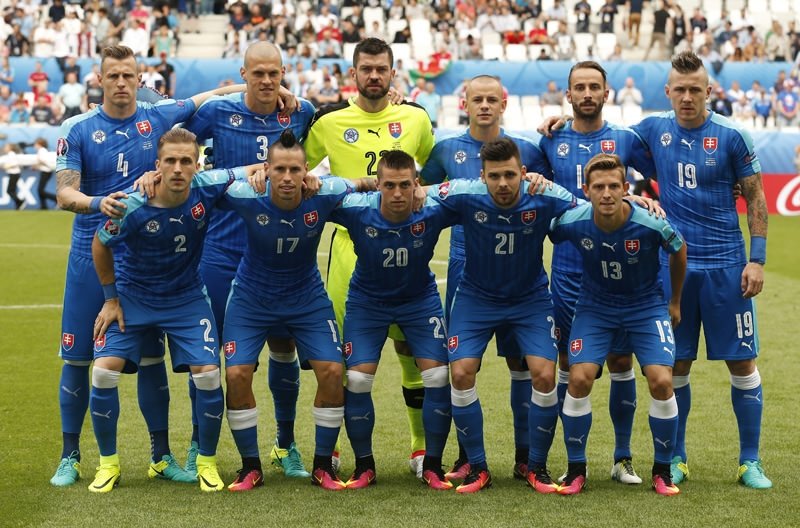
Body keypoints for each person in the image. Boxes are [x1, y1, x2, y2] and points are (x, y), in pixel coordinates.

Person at [50, 44, 243, 488]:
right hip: (91, 253)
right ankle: (70, 455)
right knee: (80, 356)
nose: (120, 83)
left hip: (145, 260)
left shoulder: (157, 117)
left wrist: (275, 89)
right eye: (112, 76)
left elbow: (211, 96)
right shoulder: (77, 128)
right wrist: (103, 202)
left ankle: (160, 455)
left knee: (153, 356)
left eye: (128, 76)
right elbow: (65, 194)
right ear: (98, 80)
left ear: (140, 80)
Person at [631, 50, 772, 489]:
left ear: (709, 92)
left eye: (696, 89)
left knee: (743, 363)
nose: (687, 97)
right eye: (680, 89)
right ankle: (677, 457)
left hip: (728, 268)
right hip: (674, 270)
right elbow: (604, 142)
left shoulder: (732, 136)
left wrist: (757, 259)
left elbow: (756, 197)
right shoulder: (653, 129)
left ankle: (750, 461)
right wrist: (558, 122)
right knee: (676, 366)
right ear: (668, 92)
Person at [183, 41, 317, 483]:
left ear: (284, 73)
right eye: (256, 73)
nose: (264, 81)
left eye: (273, 74)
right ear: (243, 73)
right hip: (220, 252)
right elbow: (175, 138)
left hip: (278, 257)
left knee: (284, 347)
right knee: (210, 355)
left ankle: (285, 443)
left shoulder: (300, 113)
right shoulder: (217, 113)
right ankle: (198, 446)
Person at [304, 37, 436, 477]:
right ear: (353, 74)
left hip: (408, 251)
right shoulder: (328, 122)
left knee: (410, 351)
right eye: (367, 69)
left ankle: (420, 449)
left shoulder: (415, 118)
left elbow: (430, 172)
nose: (374, 76)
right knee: (347, 358)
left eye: (382, 69)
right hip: (349, 252)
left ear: (392, 72)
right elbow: (300, 174)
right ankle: (339, 447)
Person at [89, 129, 242, 493]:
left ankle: (205, 462)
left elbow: (253, 168)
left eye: (185, 161)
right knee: (102, 374)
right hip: (133, 297)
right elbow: (100, 243)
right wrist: (111, 299)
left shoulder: (207, 186)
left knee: (208, 373)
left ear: (197, 165)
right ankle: (108, 464)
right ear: (156, 165)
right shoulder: (132, 203)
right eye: (170, 161)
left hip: (186, 297)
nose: (177, 168)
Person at [420, 74, 552, 483]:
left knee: (522, 364)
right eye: (477, 99)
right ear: (464, 102)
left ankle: (525, 458)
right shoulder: (446, 150)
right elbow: (421, 199)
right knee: (460, 366)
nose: (484, 106)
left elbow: (549, 195)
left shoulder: (527, 149)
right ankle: (466, 456)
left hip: (521, 271)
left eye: (492, 99)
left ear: (504, 102)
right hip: (466, 268)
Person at [428, 137, 577, 494]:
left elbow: (595, 209)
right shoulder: (466, 192)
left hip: (530, 299)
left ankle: (535, 466)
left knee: (544, 373)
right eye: (494, 176)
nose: (503, 184)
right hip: (476, 297)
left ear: (524, 173)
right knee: (461, 371)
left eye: (510, 175)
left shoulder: (545, 193)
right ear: (483, 176)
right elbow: (415, 193)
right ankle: (478, 466)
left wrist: (635, 199)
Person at [538, 61, 657, 486]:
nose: (587, 94)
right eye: (579, 88)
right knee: (571, 366)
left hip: (620, 274)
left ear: (607, 93)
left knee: (621, 360)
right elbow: (525, 179)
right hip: (569, 271)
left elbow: (665, 181)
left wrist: (647, 201)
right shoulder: (549, 140)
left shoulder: (626, 140)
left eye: (594, 87)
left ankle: (622, 458)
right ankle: (572, 461)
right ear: (567, 95)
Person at [218, 130, 354, 491]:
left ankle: (323, 466)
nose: (288, 178)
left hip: (305, 298)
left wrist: (418, 187)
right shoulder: (246, 192)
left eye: (296, 169)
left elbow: (367, 183)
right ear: (267, 169)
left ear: (307, 170)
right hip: (251, 299)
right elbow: (201, 184)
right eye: (280, 169)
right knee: (236, 375)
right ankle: (250, 466)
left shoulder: (324, 191)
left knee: (331, 370)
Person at [549, 153, 686, 496]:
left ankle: (662, 470)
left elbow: (679, 249)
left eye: (614, 186)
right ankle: (576, 469)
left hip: (646, 307)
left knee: (661, 380)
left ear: (626, 189)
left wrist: (674, 301)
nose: (606, 193)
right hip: (596, 307)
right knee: (578, 378)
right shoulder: (573, 221)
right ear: (586, 190)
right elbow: (545, 230)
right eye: (599, 187)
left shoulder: (650, 223)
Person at [329, 150, 455, 490]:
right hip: (367, 303)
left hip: (419, 301)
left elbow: (474, 189)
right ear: (377, 186)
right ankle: (364, 466)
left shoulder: (432, 208)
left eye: (405, 185)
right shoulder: (357, 209)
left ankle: (432, 464)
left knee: (439, 375)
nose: (397, 193)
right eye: (389, 186)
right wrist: (352, 182)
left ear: (417, 184)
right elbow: (316, 191)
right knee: (356, 380)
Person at [34, 138, 57, 209]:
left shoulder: (42, 150)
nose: (34, 146)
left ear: (39, 144)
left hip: (45, 171)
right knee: (40, 190)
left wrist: (37, 165)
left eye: (35, 144)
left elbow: (42, 160)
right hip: (46, 171)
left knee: (40, 190)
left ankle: (56, 199)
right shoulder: (44, 150)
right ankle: (43, 206)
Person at [3, 143, 26, 209]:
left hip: (14, 174)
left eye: (6, 147)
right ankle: (18, 204)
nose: (5, 148)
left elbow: (15, 163)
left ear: (10, 148)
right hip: (14, 174)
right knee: (12, 190)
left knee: (9, 191)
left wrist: (7, 166)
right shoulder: (10, 154)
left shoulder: (11, 154)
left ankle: (20, 201)